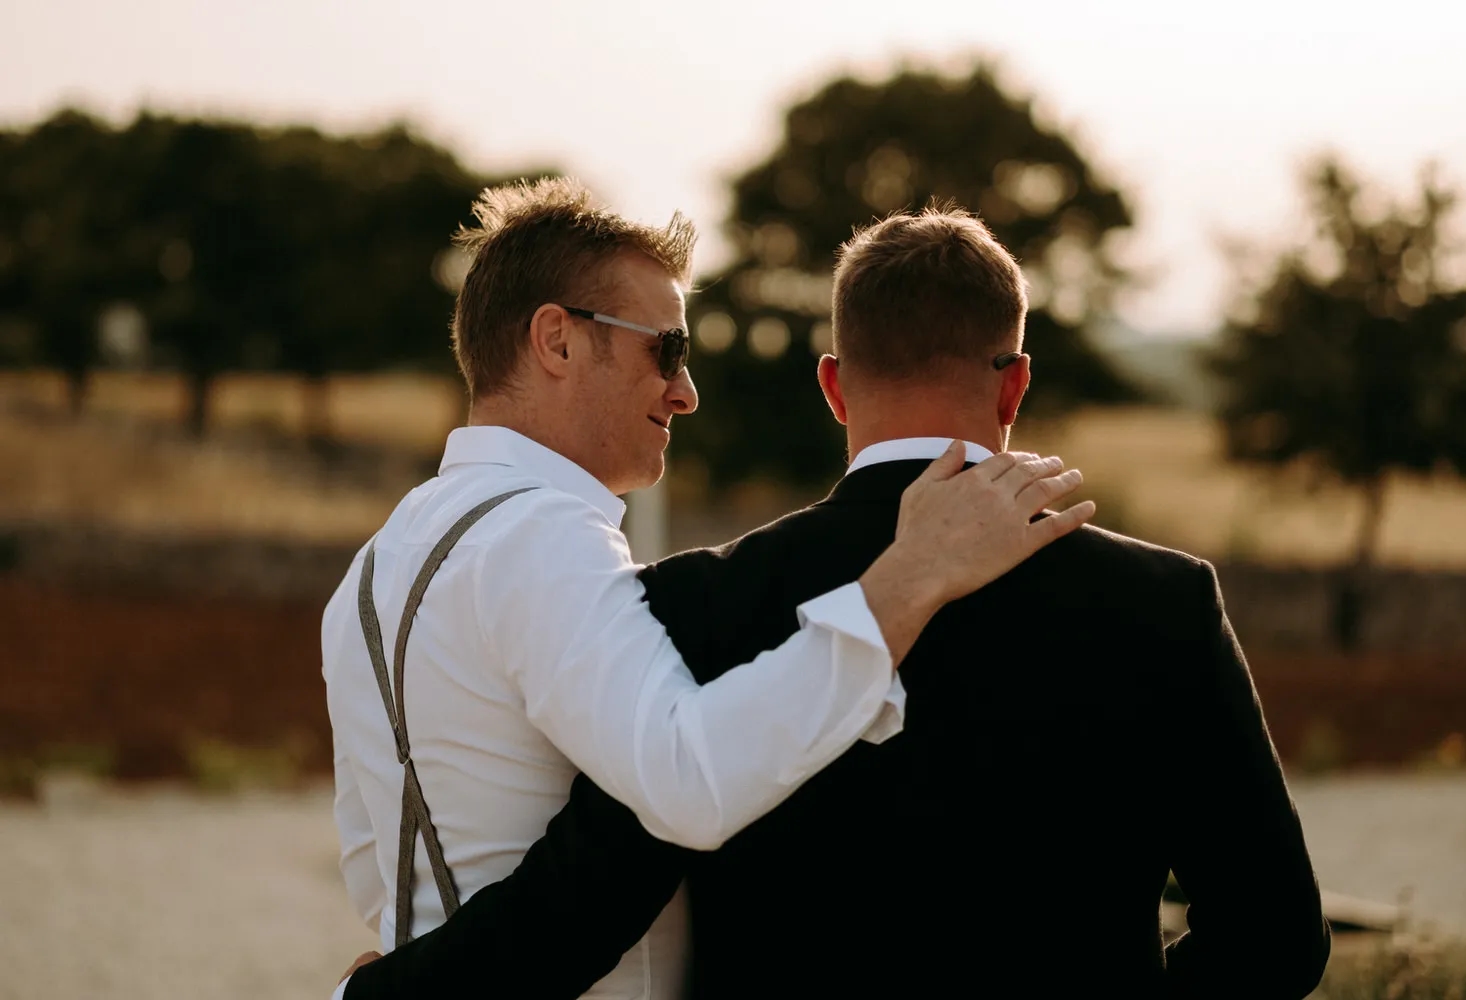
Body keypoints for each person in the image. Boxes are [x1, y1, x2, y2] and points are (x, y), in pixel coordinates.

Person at [338, 204, 1332, 1000]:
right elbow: (1276, 936)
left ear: (833, 387)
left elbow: (585, 899)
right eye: (669, 352)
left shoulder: (696, 603)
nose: (684, 391)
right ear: (1015, 383)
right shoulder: (1164, 602)